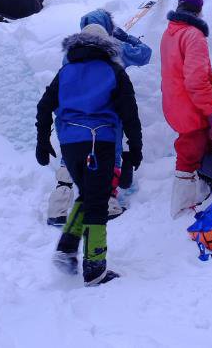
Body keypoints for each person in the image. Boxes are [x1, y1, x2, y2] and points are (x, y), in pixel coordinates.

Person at [35, 23, 143, 286]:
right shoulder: (114, 71)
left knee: (88, 195)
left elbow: (44, 105)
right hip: (100, 144)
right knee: (98, 201)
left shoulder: (65, 72)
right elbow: (129, 113)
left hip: (70, 146)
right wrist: (135, 147)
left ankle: (67, 249)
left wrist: (42, 140)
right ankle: (95, 267)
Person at [47, 9, 151, 226]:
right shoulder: (117, 48)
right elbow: (144, 54)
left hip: (72, 116)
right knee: (108, 156)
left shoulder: (72, 52)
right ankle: (109, 203)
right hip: (106, 116)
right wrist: (123, 36)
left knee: (70, 158)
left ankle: (58, 207)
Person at [160, 0, 212, 218]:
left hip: (173, 103)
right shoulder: (193, 35)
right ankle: (182, 206)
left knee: (190, 147)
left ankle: (196, 192)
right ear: (200, 8)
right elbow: (196, 80)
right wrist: (211, 110)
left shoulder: (170, 33)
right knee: (190, 152)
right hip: (189, 107)